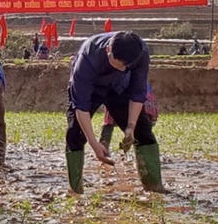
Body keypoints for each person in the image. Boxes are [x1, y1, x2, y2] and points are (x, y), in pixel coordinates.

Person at [65, 31, 165, 194]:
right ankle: (75, 189)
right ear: (108, 50)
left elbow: (137, 92)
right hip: (92, 89)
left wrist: (130, 126)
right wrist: (94, 144)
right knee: (75, 133)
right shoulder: (87, 58)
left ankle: (154, 187)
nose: (121, 69)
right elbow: (81, 107)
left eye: (125, 67)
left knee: (143, 131)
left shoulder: (140, 53)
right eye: (117, 65)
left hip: (119, 89)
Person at [100, 83, 158, 153]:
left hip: (130, 98)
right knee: (142, 132)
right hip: (137, 99)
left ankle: (103, 148)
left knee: (142, 132)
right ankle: (103, 148)